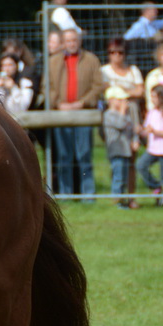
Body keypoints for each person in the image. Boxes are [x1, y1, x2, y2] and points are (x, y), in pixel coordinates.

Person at [48, 28, 104, 200]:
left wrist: (82, 102)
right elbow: (47, 86)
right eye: (68, 41)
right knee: (64, 156)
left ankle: (88, 195)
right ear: (64, 42)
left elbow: (98, 86)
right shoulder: (53, 61)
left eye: (74, 40)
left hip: (84, 115)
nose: (72, 43)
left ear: (79, 41)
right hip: (61, 115)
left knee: (84, 155)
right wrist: (58, 103)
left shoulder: (91, 60)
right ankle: (65, 194)